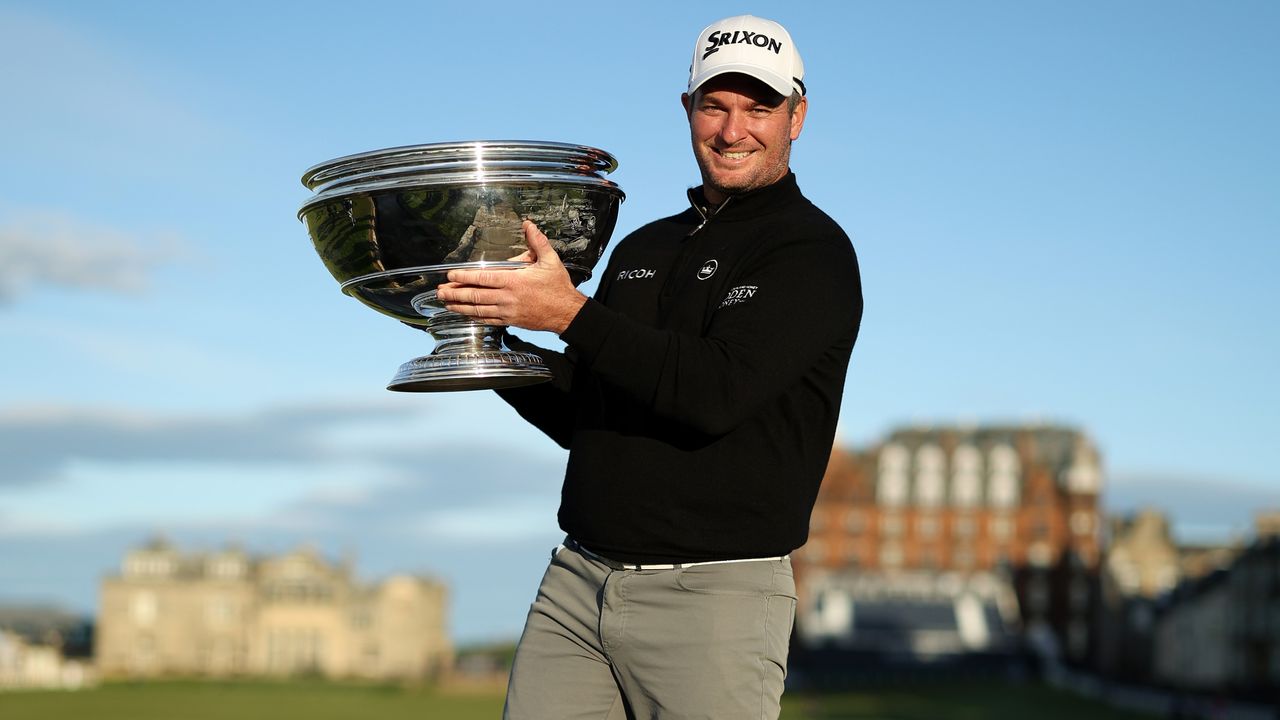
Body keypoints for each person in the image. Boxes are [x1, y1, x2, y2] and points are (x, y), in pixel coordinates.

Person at [437, 14, 863, 720]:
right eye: (714, 105)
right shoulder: (643, 246)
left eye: (759, 107)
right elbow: (587, 413)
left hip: (715, 600)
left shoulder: (811, 251)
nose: (733, 130)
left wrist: (568, 314)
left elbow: (713, 393)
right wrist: (494, 340)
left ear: (798, 117)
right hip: (578, 584)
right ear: (687, 109)